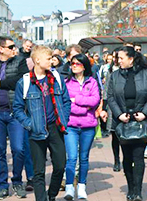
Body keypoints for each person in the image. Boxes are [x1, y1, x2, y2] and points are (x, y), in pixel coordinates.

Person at [13, 45, 71, 201]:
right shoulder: (24, 82)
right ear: (37, 60)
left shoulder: (57, 78)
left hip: (55, 128)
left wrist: (64, 119)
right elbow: (17, 108)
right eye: (48, 58)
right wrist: (30, 124)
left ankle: (51, 195)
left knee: (60, 165)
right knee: (38, 171)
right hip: (36, 130)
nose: (52, 61)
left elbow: (66, 101)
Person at [107, 46, 147, 201]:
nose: (118, 61)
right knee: (127, 158)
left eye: (121, 58)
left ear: (131, 59)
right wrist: (119, 114)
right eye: (117, 58)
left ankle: (138, 191)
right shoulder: (114, 75)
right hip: (123, 121)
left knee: (138, 156)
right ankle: (130, 188)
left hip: (142, 120)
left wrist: (144, 113)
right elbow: (110, 97)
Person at [0, 36, 29, 199]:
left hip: (15, 113)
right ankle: (3, 185)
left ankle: (17, 181)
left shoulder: (20, 62)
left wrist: (0, 83)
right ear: (1, 49)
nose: (14, 49)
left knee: (18, 149)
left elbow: (23, 80)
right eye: (10, 47)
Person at [64, 53, 100, 200]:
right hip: (71, 126)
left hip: (88, 126)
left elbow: (95, 100)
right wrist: (83, 108)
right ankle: (69, 187)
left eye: (77, 64)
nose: (74, 66)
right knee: (71, 158)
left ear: (84, 66)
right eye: (72, 63)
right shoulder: (66, 82)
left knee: (84, 158)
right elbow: (66, 103)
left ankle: (82, 186)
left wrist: (77, 99)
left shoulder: (92, 82)